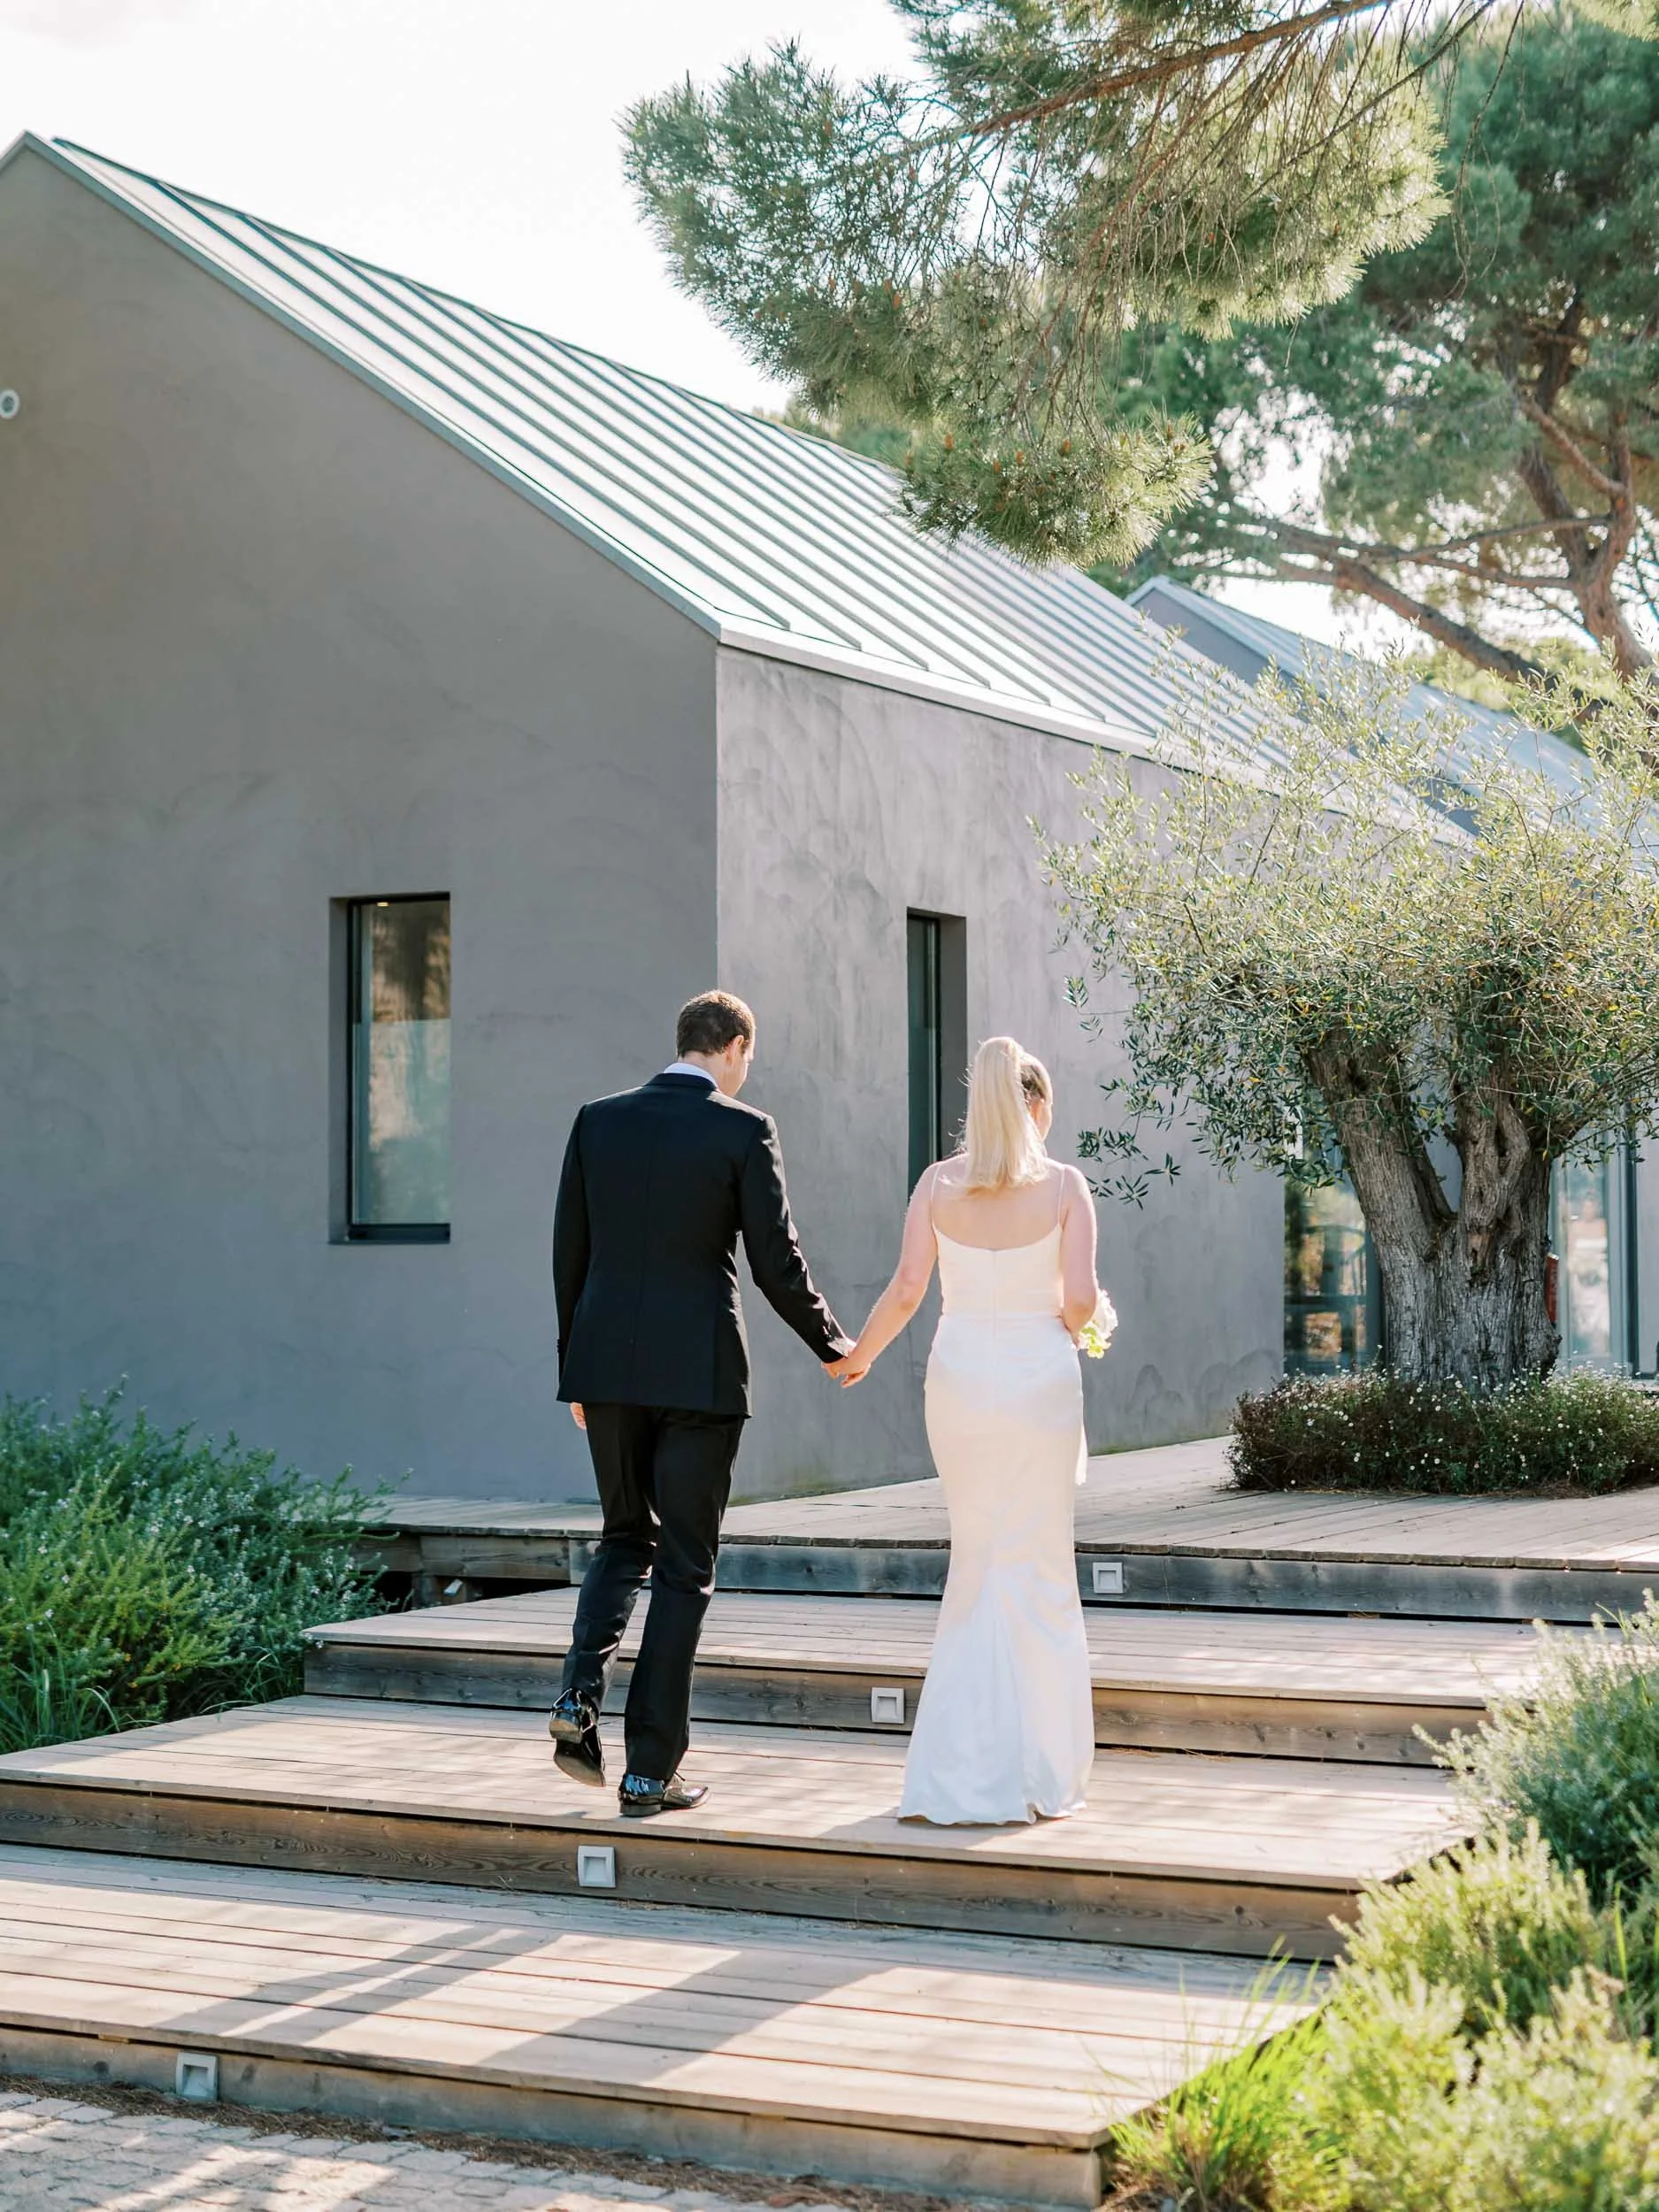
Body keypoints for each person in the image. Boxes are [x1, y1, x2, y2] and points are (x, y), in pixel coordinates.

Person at [549, 990, 852, 1817]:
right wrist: (833, 1346)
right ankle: (649, 1772)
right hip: (701, 1379)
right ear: (734, 1046)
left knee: (621, 1538)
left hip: (606, 1370)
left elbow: (568, 1254)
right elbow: (773, 1261)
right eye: (747, 1058)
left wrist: (574, 1370)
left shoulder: (596, 1120)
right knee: (683, 1569)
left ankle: (579, 1696)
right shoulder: (743, 1128)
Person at [833, 1037, 1102, 1824]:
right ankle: (1042, 1773)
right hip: (1038, 1378)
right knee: (1039, 1562)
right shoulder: (1063, 1185)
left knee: (977, 1558)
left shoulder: (935, 1184)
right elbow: (1080, 1302)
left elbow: (909, 1287)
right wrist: (1072, 1320)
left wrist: (858, 1356)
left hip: (958, 1382)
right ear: (1036, 1106)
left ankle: (958, 1773)